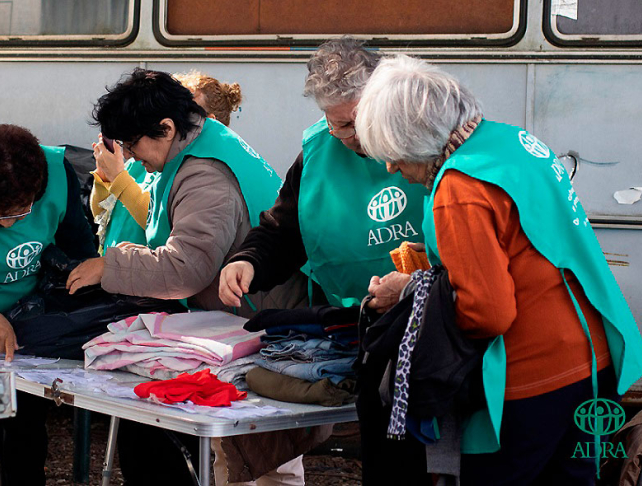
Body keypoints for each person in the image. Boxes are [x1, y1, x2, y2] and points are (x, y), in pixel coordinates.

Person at [354, 54, 642, 485]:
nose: (391, 168)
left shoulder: (457, 189)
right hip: (590, 360)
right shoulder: (511, 141)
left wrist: (407, 291)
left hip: (529, 382)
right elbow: (524, 243)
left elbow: (489, 313)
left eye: (394, 154)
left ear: (417, 137)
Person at [66, 68, 307, 486]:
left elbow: (186, 269)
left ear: (166, 127)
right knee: (239, 454)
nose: (130, 154)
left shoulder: (205, 174)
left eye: (133, 143)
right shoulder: (199, 143)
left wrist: (111, 266)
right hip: (250, 319)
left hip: (261, 326)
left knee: (261, 457)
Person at [218, 38, 431, 484]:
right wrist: (249, 261)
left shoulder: (426, 137)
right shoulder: (320, 149)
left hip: (431, 326)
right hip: (361, 324)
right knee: (385, 457)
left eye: (355, 122)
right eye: (337, 126)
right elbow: (285, 226)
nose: (350, 137)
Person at [0, 124, 97, 486]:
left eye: (21, 214)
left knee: (25, 433)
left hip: (29, 325)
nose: (8, 225)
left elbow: (76, 242)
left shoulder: (57, 171)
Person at [90, 71, 243, 254]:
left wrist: (118, 179)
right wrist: (105, 178)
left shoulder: (202, 175)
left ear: (207, 122)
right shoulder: (140, 161)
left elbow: (161, 223)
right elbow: (101, 214)